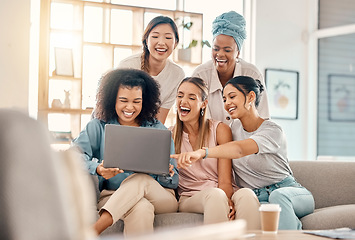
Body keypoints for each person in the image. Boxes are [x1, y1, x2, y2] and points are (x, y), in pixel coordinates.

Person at [171, 76, 315, 230]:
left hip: (286, 190)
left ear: (251, 97)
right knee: (248, 196)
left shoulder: (272, 131)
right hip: (258, 197)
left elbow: (239, 150)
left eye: (232, 97)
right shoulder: (233, 128)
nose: (227, 104)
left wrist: (201, 152)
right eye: (224, 99)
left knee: (277, 197)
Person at [72, 68, 179, 236]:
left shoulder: (157, 129)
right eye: (123, 100)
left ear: (145, 101)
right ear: (112, 99)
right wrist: (97, 168)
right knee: (141, 208)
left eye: (137, 101)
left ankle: (95, 229)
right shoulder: (98, 126)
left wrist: (166, 173)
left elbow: (174, 181)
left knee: (140, 179)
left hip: (160, 196)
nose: (130, 107)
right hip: (113, 196)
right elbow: (73, 156)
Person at [171, 77, 261, 229]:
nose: (183, 101)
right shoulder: (170, 136)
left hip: (221, 191)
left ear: (204, 104)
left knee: (247, 195)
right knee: (215, 195)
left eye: (191, 97)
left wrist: (228, 200)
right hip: (191, 197)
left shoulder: (220, 130)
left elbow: (225, 180)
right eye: (180, 96)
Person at [192, 11, 269, 124]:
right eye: (216, 49)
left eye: (227, 50)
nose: (220, 54)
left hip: (247, 140)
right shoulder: (200, 75)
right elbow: (199, 121)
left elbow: (263, 117)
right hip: (210, 140)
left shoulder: (252, 74)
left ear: (238, 52)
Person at [118, 16, 185, 124]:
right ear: (146, 40)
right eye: (155, 36)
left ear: (176, 43)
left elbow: (158, 121)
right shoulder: (127, 66)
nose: (161, 42)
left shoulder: (177, 75)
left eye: (168, 38)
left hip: (146, 131)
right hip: (116, 125)